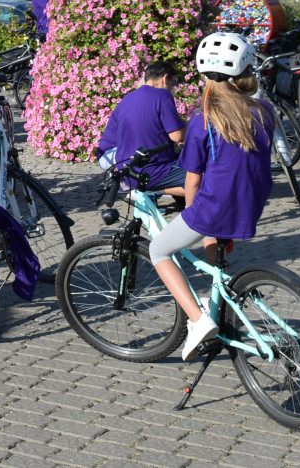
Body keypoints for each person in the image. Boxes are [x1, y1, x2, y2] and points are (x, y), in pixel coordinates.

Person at [149, 32, 274, 362]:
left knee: (159, 248)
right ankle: (215, 292)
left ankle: (197, 319)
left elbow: (192, 180)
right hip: (252, 202)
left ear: (203, 75)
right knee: (212, 249)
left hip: (215, 207)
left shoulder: (202, 121)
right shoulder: (265, 111)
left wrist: (191, 215)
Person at [95, 62, 186, 199]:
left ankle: (151, 193)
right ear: (165, 78)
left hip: (127, 171)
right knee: (205, 180)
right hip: (154, 171)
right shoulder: (163, 95)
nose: (172, 88)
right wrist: (192, 126)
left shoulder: (128, 97)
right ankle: (156, 193)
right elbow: (177, 136)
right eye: (172, 83)